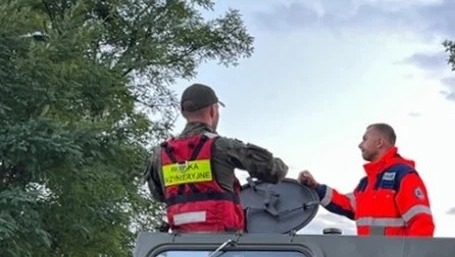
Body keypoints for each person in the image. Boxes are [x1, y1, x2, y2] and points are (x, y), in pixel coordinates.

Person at [145, 83, 288, 233]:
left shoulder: (161, 154)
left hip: (180, 247)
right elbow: (275, 172)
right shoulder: (222, 146)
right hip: (224, 247)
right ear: (213, 110)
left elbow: (159, 195)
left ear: (183, 112)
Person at [297, 123, 434, 236]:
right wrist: (315, 187)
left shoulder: (404, 175)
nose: (360, 145)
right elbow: (346, 204)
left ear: (379, 142)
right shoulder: (366, 183)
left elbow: (422, 224)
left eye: (365, 139)